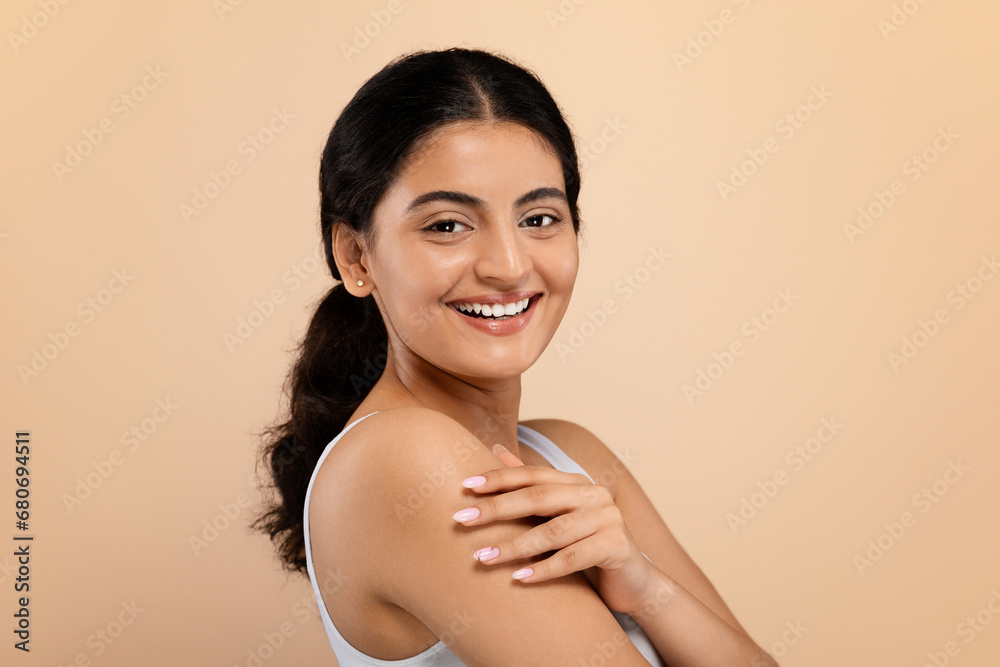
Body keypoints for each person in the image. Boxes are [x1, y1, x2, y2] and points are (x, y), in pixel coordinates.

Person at [253, 47, 776, 666]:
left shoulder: (570, 452)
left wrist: (646, 587)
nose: (507, 266)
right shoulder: (403, 460)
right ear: (356, 256)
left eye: (539, 217)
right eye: (448, 225)